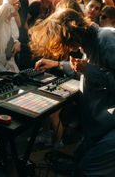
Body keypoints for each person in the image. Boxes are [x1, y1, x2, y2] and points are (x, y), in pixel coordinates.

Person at [29, 9, 115, 177]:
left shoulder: (107, 39)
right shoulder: (89, 44)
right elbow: (89, 69)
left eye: (66, 43)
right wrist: (57, 65)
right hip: (100, 126)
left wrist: (88, 70)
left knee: (88, 170)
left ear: (72, 33)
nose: (68, 49)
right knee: (78, 159)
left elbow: (93, 71)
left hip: (110, 127)